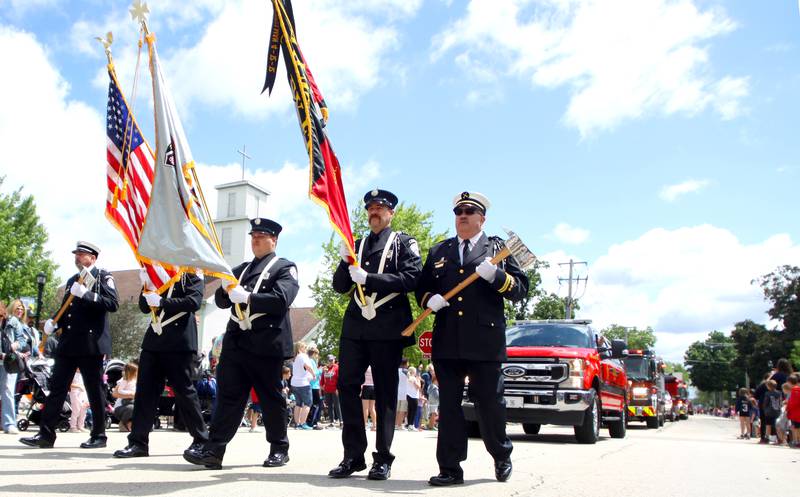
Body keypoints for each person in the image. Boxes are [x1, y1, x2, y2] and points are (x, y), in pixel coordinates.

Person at [415, 191, 529, 486]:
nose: (462, 215)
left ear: (482, 218)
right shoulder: (441, 250)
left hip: (484, 340)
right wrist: (430, 300)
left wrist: (498, 277)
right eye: (458, 212)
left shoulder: (499, 248)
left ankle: (501, 454)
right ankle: (450, 468)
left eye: (468, 211)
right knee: (449, 407)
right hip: (448, 339)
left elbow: (520, 289)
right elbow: (421, 288)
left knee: (489, 403)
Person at [184, 217, 299, 469]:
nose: (255, 240)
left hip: (266, 342)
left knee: (270, 397)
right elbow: (222, 301)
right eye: (253, 236)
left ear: (274, 240)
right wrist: (226, 288)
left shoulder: (284, 267)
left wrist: (248, 296)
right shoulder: (241, 269)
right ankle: (214, 450)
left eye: (261, 236)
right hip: (237, 341)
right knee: (228, 397)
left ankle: (279, 447)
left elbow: (282, 298)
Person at [328, 189, 422, 481]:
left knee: (383, 392)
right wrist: (345, 262)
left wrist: (370, 279)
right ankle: (353, 455)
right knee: (346, 386)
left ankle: (383, 458)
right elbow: (340, 287)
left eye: (381, 207)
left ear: (391, 213)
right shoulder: (355, 245)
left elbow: (411, 278)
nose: (375, 212)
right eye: (370, 207)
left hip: (387, 326)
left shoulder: (403, 243)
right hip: (356, 326)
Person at [20, 241, 119, 449]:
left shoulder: (103, 277)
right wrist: (53, 321)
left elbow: (112, 304)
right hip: (69, 344)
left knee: (94, 390)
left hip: (90, 344)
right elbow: (67, 310)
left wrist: (87, 294)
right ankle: (46, 435)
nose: (77, 257)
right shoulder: (73, 280)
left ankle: (99, 435)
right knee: (56, 388)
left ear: (92, 258)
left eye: (82, 254)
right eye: (76, 254)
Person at [113, 271, 209, 458]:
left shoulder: (190, 272)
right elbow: (144, 307)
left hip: (179, 341)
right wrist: (146, 287)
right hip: (154, 340)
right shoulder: (156, 273)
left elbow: (193, 302)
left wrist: (163, 302)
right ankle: (138, 442)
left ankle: (201, 440)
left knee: (184, 392)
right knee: (144, 393)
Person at [2, 299, 30, 434]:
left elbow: (22, 339)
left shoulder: (14, 322)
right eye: (18, 307)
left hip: (8, 361)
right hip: (4, 358)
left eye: (22, 308)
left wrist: (16, 345)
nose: (20, 310)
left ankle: (9, 423)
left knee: (8, 391)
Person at [291, 341, 315, 430]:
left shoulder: (295, 357)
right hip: (303, 383)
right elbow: (307, 366)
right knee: (308, 403)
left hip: (294, 383)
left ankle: (297, 424)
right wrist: (313, 374)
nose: (306, 349)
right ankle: (303, 423)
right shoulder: (303, 356)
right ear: (301, 348)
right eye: (305, 347)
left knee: (298, 404)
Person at [112, 362, 138, 432]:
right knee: (131, 408)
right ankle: (124, 423)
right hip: (122, 406)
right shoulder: (124, 380)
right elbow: (115, 393)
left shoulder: (135, 380)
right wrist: (130, 394)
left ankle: (132, 424)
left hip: (132, 402)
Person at [321, 354, 341, 427]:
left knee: (337, 405)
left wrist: (338, 388)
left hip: (335, 389)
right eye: (329, 360)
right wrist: (321, 386)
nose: (331, 361)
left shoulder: (337, 367)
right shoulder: (325, 368)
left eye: (332, 360)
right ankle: (331, 421)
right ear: (327, 361)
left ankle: (341, 421)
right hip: (327, 390)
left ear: (334, 360)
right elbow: (322, 379)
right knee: (329, 406)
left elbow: (339, 379)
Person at [308, 347, 323, 429]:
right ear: (314, 354)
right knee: (316, 405)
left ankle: (312, 422)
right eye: (317, 354)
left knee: (314, 405)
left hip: (312, 386)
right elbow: (314, 374)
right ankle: (313, 423)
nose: (318, 356)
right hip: (313, 386)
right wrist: (321, 370)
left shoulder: (310, 361)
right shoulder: (311, 361)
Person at [762, 379, 782, 444]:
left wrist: (764, 409)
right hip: (777, 411)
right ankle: (779, 438)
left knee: (768, 425)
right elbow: (780, 402)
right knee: (777, 425)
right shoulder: (779, 393)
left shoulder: (767, 393)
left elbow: (765, 403)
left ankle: (767, 438)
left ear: (768, 386)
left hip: (769, 412)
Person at [786, 374, 800, 448]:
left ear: (790, 382)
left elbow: (792, 402)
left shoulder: (794, 390)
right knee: (797, 428)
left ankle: (797, 441)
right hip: (798, 412)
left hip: (794, 413)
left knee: (796, 428)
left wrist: (787, 409)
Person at [362, 366, 377, 431]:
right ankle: (374, 426)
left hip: (366, 387)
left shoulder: (365, 367)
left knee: (365, 408)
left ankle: (364, 426)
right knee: (372, 408)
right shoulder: (374, 366)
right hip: (373, 387)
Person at [406, 366, 420, 431]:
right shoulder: (414, 378)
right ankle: (411, 425)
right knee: (413, 411)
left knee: (410, 410)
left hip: (408, 395)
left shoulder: (408, 378)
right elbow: (418, 387)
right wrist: (418, 380)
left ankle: (409, 424)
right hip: (414, 396)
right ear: (414, 372)